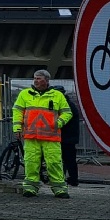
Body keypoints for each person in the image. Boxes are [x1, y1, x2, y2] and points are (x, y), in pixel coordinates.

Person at [13, 69, 72, 198]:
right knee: (31, 162)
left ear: (46, 80)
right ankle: (30, 188)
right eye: (35, 78)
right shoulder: (24, 94)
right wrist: (17, 128)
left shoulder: (57, 95)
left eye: (39, 78)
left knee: (54, 162)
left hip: (51, 137)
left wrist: (58, 123)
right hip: (31, 136)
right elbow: (17, 111)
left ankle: (60, 189)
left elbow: (67, 113)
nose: (36, 80)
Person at [51, 85, 80, 187]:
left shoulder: (65, 105)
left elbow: (62, 121)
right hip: (68, 137)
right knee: (68, 159)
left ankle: (70, 179)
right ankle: (70, 179)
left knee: (66, 159)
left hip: (66, 137)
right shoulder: (68, 103)